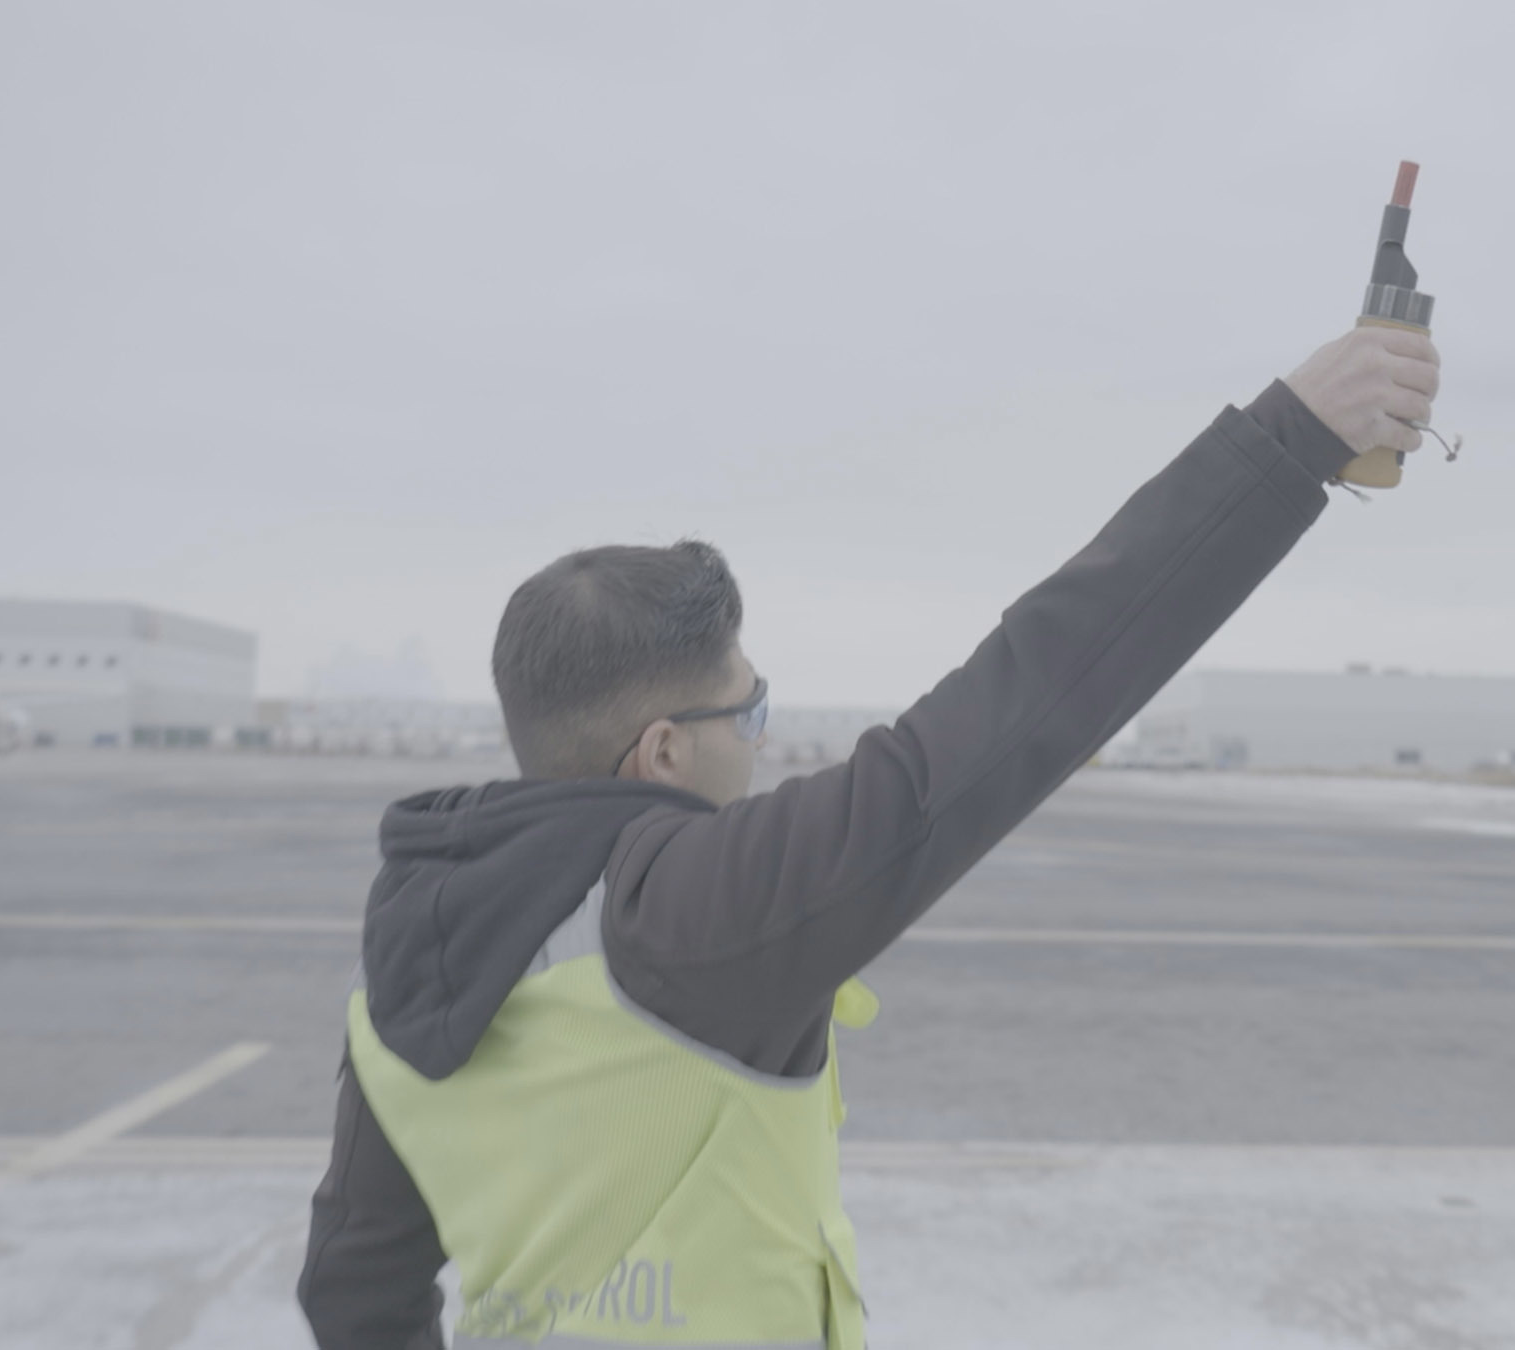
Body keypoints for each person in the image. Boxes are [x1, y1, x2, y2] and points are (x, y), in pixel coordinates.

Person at [297, 323, 1442, 1349]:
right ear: (662, 752)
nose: (760, 739)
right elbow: (1026, 696)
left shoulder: (401, 969)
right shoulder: (689, 913)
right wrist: (1290, 438)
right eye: (747, 710)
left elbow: (354, 1289)